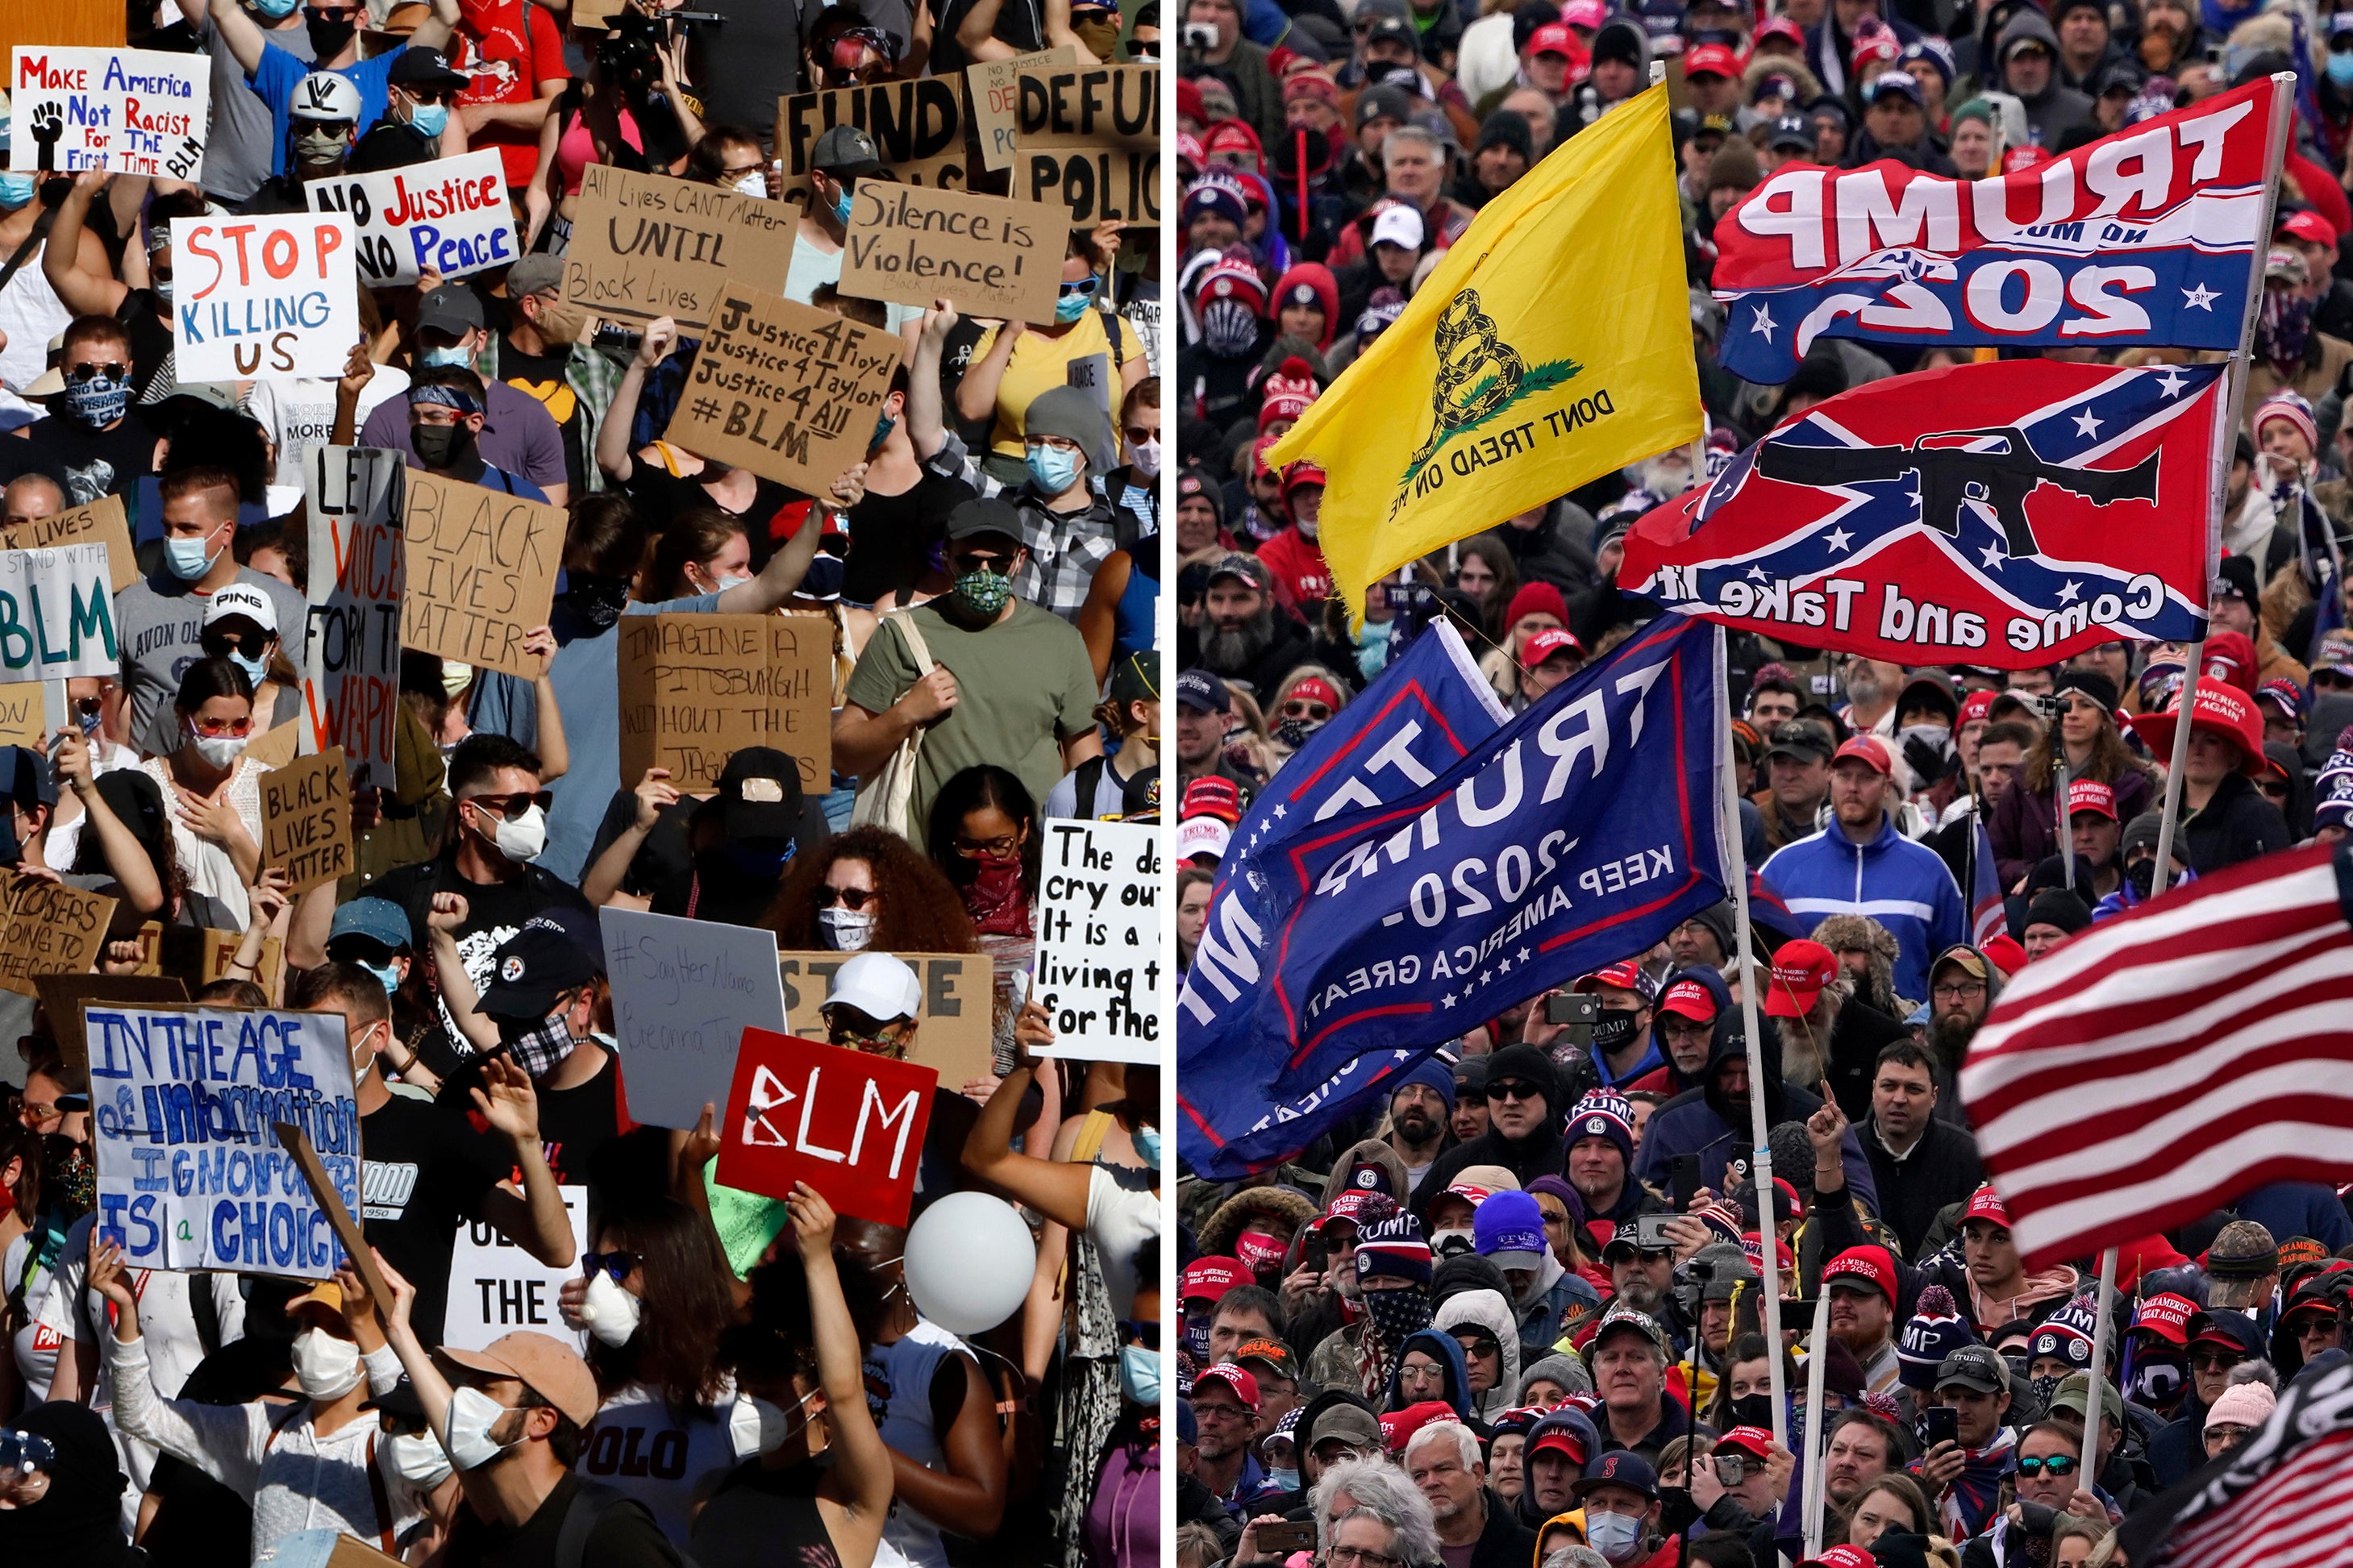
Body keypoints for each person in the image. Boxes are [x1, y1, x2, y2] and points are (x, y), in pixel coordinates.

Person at [835, 497, 1104, 851]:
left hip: (1028, 871)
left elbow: (1086, 764)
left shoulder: (1062, 641)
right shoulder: (901, 634)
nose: (984, 574)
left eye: (999, 562)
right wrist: (906, 713)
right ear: (946, 559)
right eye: (969, 561)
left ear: (1020, 561)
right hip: (931, 869)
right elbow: (845, 754)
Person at [1760, 735, 1968, 1003]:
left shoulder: (1929, 868)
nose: (1853, 788)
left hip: (1905, 1036)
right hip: (1811, 1034)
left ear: (1886, 787)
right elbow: (1754, 962)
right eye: (1844, 776)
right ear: (1830, 782)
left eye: (1867, 778)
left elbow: (1957, 963)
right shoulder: (1783, 866)